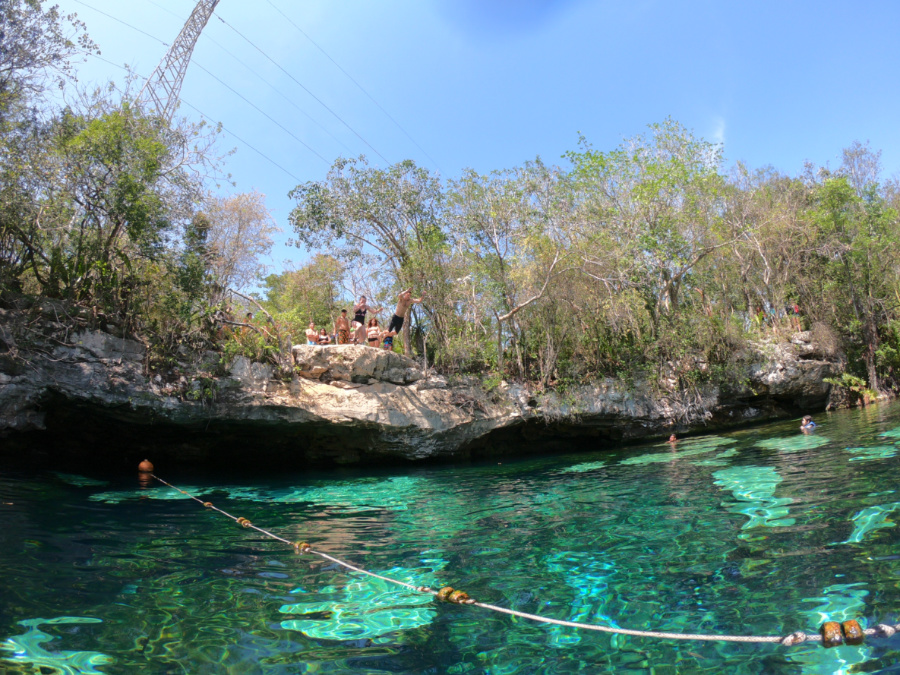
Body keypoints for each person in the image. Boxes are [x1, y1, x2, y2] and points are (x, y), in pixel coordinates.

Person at [386, 289, 425, 354]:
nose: (408, 296)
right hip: (395, 317)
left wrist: (423, 295)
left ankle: (384, 335)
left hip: (401, 318)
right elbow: (399, 295)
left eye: (409, 295)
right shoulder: (402, 299)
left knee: (396, 332)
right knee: (388, 330)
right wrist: (406, 290)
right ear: (405, 294)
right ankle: (382, 335)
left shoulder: (410, 301)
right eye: (407, 295)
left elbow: (419, 300)